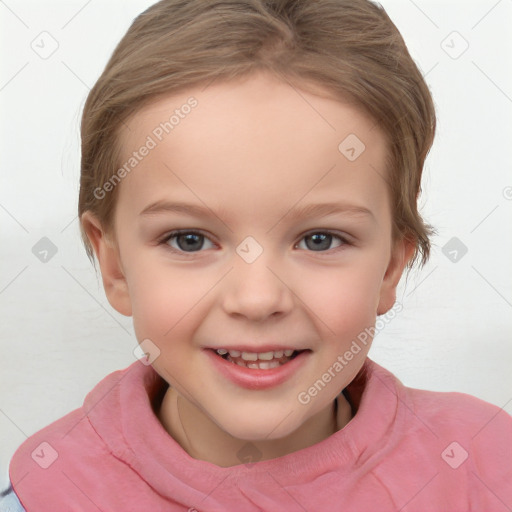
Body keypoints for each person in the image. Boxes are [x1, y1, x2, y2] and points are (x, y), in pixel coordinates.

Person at [2, 0, 511, 510]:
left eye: (320, 239)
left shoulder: (482, 469)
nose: (257, 298)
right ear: (114, 266)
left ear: (390, 266)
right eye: (189, 240)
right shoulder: (49, 492)